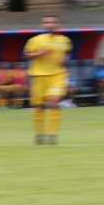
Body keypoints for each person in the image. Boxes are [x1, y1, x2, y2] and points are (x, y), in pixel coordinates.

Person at [24, 14, 73, 145]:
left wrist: (65, 59)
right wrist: (39, 53)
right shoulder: (35, 40)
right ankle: (39, 133)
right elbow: (27, 55)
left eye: (53, 22)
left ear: (57, 24)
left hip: (57, 75)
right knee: (38, 106)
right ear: (43, 25)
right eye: (47, 22)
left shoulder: (65, 40)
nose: (50, 24)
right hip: (39, 76)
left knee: (54, 102)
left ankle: (52, 134)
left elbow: (67, 53)